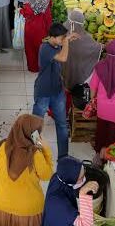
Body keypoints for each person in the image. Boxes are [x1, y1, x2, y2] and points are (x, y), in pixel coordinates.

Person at [0, 114, 53, 225]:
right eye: (37, 132)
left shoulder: (2, 147)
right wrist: (46, 150)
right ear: (31, 135)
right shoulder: (35, 154)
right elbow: (47, 175)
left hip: (1, 204)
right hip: (28, 209)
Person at [33, 23, 77, 159]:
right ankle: (34, 154)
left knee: (62, 125)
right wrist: (66, 43)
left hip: (57, 92)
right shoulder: (45, 48)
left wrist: (67, 38)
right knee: (36, 126)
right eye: (61, 37)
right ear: (52, 37)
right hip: (43, 92)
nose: (63, 39)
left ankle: (63, 157)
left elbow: (61, 44)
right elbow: (63, 58)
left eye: (64, 37)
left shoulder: (55, 44)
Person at [43, 156, 100, 226]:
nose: (84, 179)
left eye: (84, 172)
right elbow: (86, 224)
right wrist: (83, 194)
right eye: (81, 178)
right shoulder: (58, 204)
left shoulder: (60, 176)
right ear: (71, 180)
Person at [62, 11, 102, 90]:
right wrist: (101, 46)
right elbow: (94, 48)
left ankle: (65, 85)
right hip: (77, 68)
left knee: (66, 72)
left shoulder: (62, 30)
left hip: (64, 64)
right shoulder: (84, 36)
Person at [23, 0, 52, 73]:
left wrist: (20, 11)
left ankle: (33, 67)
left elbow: (27, 13)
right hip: (45, 24)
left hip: (32, 26)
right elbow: (50, 5)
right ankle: (43, 67)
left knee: (31, 48)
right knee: (43, 47)